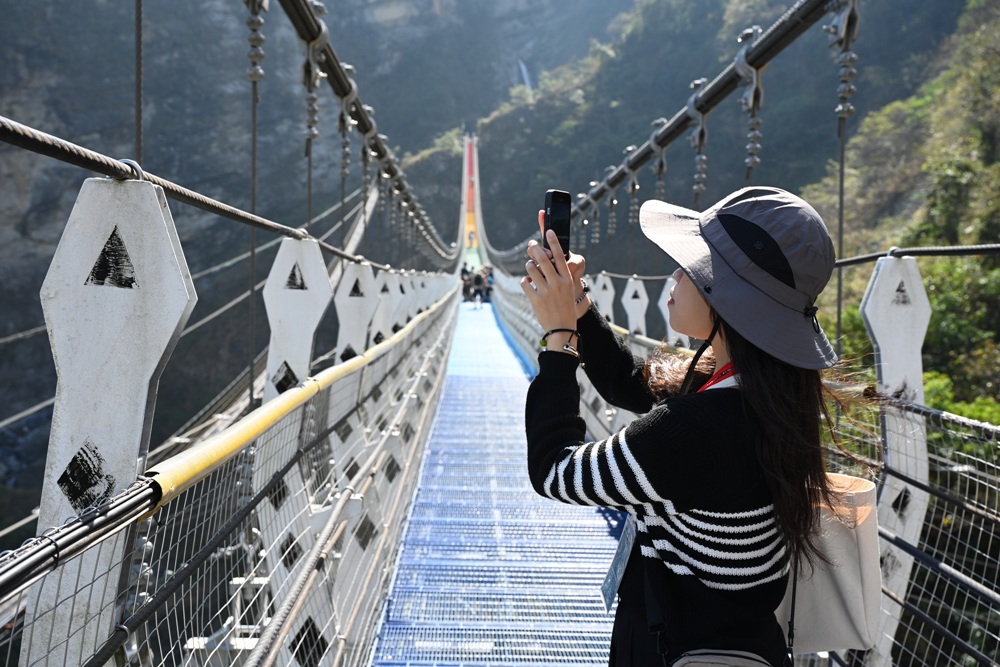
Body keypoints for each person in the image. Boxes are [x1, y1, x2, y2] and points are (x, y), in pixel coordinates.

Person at [520, 186, 841, 667]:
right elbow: (636, 387)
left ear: (727, 297)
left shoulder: (695, 428)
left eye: (692, 266)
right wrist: (578, 305)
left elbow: (555, 472)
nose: (675, 273)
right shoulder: (768, 395)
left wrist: (559, 338)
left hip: (672, 652)